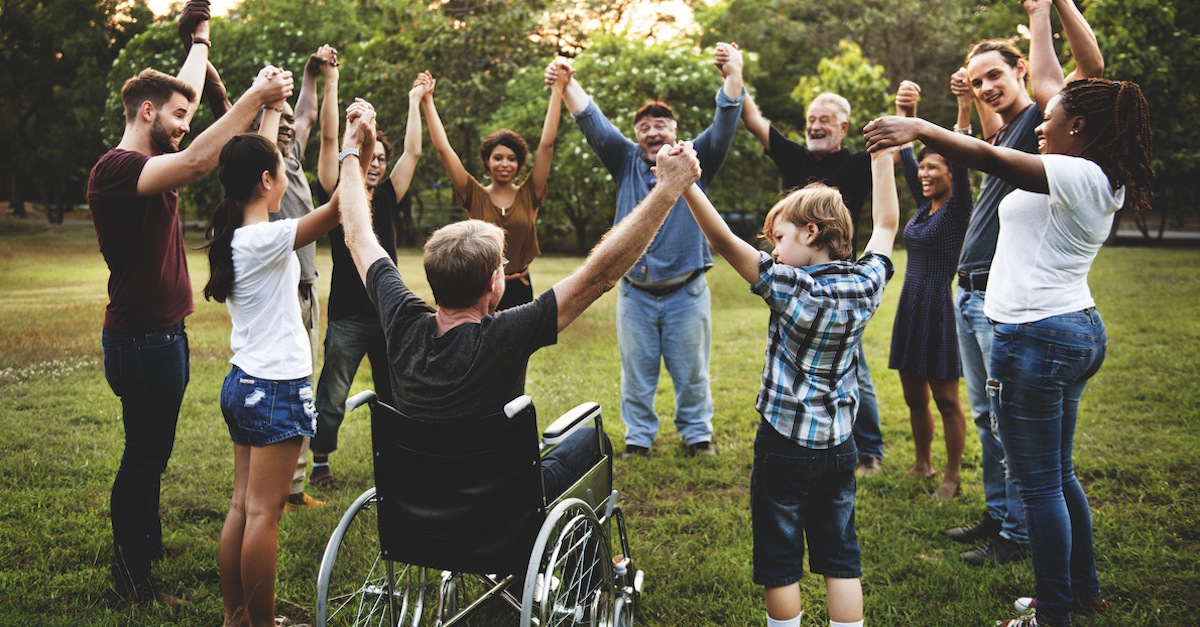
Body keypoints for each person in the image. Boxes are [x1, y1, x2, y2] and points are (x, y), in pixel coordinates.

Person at [865, 64, 1153, 625]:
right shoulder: (1094, 173)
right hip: (1066, 329)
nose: (1041, 128)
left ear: (1083, 127)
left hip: (1037, 337)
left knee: (1040, 482)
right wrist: (1043, 10)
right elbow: (1044, 79)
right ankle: (1081, 592)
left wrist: (920, 127)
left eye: (1052, 120)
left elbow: (993, 159)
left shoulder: (1079, 173)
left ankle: (1053, 612)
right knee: (1059, 475)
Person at [337, 98, 703, 496]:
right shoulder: (507, 334)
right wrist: (667, 190)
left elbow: (357, 235)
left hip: (420, 500)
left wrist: (352, 149)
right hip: (503, 501)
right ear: (496, 283)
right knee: (593, 443)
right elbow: (599, 277)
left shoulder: (402, 321)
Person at [87, 3, 292, 606]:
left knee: (151, 452)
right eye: (177, 117)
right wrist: (254, 96)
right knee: (144, 458)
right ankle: (132, 582)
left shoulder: (148, 154)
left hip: (162, 337)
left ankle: (143, 547)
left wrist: (199, 39)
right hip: (141, 341)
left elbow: (189, 101)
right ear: (146, 113)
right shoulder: (119, 169)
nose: (185, 124)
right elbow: (202, 156)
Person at [680, 132, 901, 627]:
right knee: (840, 553)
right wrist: (883, 160)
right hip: (841, 445)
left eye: (779, 237)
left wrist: (687, 185)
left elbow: (721, 241)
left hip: (784, 444)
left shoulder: (788, 286)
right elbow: (886, 223)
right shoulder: (867, 282)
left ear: (811, 232)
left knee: (781, 560)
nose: (774, 250)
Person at [940, 0, 1104, 566]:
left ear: (1022, 75)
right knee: (989, 417)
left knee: (1010, 424)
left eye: (996, 76)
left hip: (1005, 299)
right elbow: (986, 138)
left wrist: (1042, 11)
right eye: (978, 78)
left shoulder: (1044, 121)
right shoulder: (1016, 130)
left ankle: (1017, 532)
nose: (987, 86)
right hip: (971, 287)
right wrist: (967, 100)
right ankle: (1000, 511)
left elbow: (1084, 71)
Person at [202, 99, 373, 627]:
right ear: (266, 181)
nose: (284, 176)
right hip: (274, 386)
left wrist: (274, 112)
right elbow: (343, 208)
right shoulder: (271, 238)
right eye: (279, 170)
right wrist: (352, 145)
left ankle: (236, 617)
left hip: (244, 382)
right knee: (264, 515)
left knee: (242, 507)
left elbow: (266, 159)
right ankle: (261, 623)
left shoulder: (231, 234)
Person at [544, 43, 746, 457]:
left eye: (661, 125)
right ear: (637, 136)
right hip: (634, 293)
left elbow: (726, 119)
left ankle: (697, 436)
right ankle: (638, 439)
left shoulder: (696, 159)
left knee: (692, 374)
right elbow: (590, 120)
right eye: (644, 128)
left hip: (686, 292)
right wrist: (567, 82)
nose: (653, 132)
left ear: (675, 130)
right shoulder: (624, 160)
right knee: (637, 375)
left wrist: (733, 74)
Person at [737, 58, 887, 478]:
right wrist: (735, 73)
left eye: (826, 120)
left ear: (843, 128)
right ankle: (790, 428)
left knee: (851, 364)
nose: (816, 126)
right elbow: (752, 118)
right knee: (790, 357)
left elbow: (887, 198)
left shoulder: (857, 163)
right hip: (791, 277)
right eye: (811, 119)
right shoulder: (795, 156)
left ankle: (868, 449)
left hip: (835, 281)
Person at [310, 73, 431, 490]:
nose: (376, 162)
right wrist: (332, 84)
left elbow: (413, 151)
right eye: (369, 155)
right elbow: (329, 142)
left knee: (395, 393)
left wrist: (415, 99)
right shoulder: (339, 196)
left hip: (388, 315)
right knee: (332, 395)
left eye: (381, 157)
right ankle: (320, 462)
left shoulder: (388, 197)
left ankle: (397, 460)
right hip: (346, 315)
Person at [244, 44, 341, 511]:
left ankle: (292, 487)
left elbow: (301, 111)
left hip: (308, 284)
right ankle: (284, 489)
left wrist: (310, 72)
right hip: (288, 294)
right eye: (277, 124)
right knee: (290, 385)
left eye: (289, 125)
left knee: (303, 382)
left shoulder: (294, 158)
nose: (287, 127)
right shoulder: (263, 174)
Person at [887, 79, 972, 501]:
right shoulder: (924, 208)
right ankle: (923, 463)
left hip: (938, 304)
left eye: (932, 167)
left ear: (951, 173)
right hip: (910, 304)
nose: (922, 172)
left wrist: (962, 109)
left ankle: (952, 477)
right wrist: (907, 111)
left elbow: (959, 149)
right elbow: (904, 155)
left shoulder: (958, 209)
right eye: (922, 168)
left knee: (946, 399)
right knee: (912, 395)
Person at [422, 68, 563, 310]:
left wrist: (557, 90)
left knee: (518, 349)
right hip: (477, 288)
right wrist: (427, 100)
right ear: (487, 161)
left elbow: (547, 144)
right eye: (498, 157)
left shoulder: (530, 193)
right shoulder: (473, 194)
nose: (505, 164)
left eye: (511, 158)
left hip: (519, 286)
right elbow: (444, 150)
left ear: (519, 164)